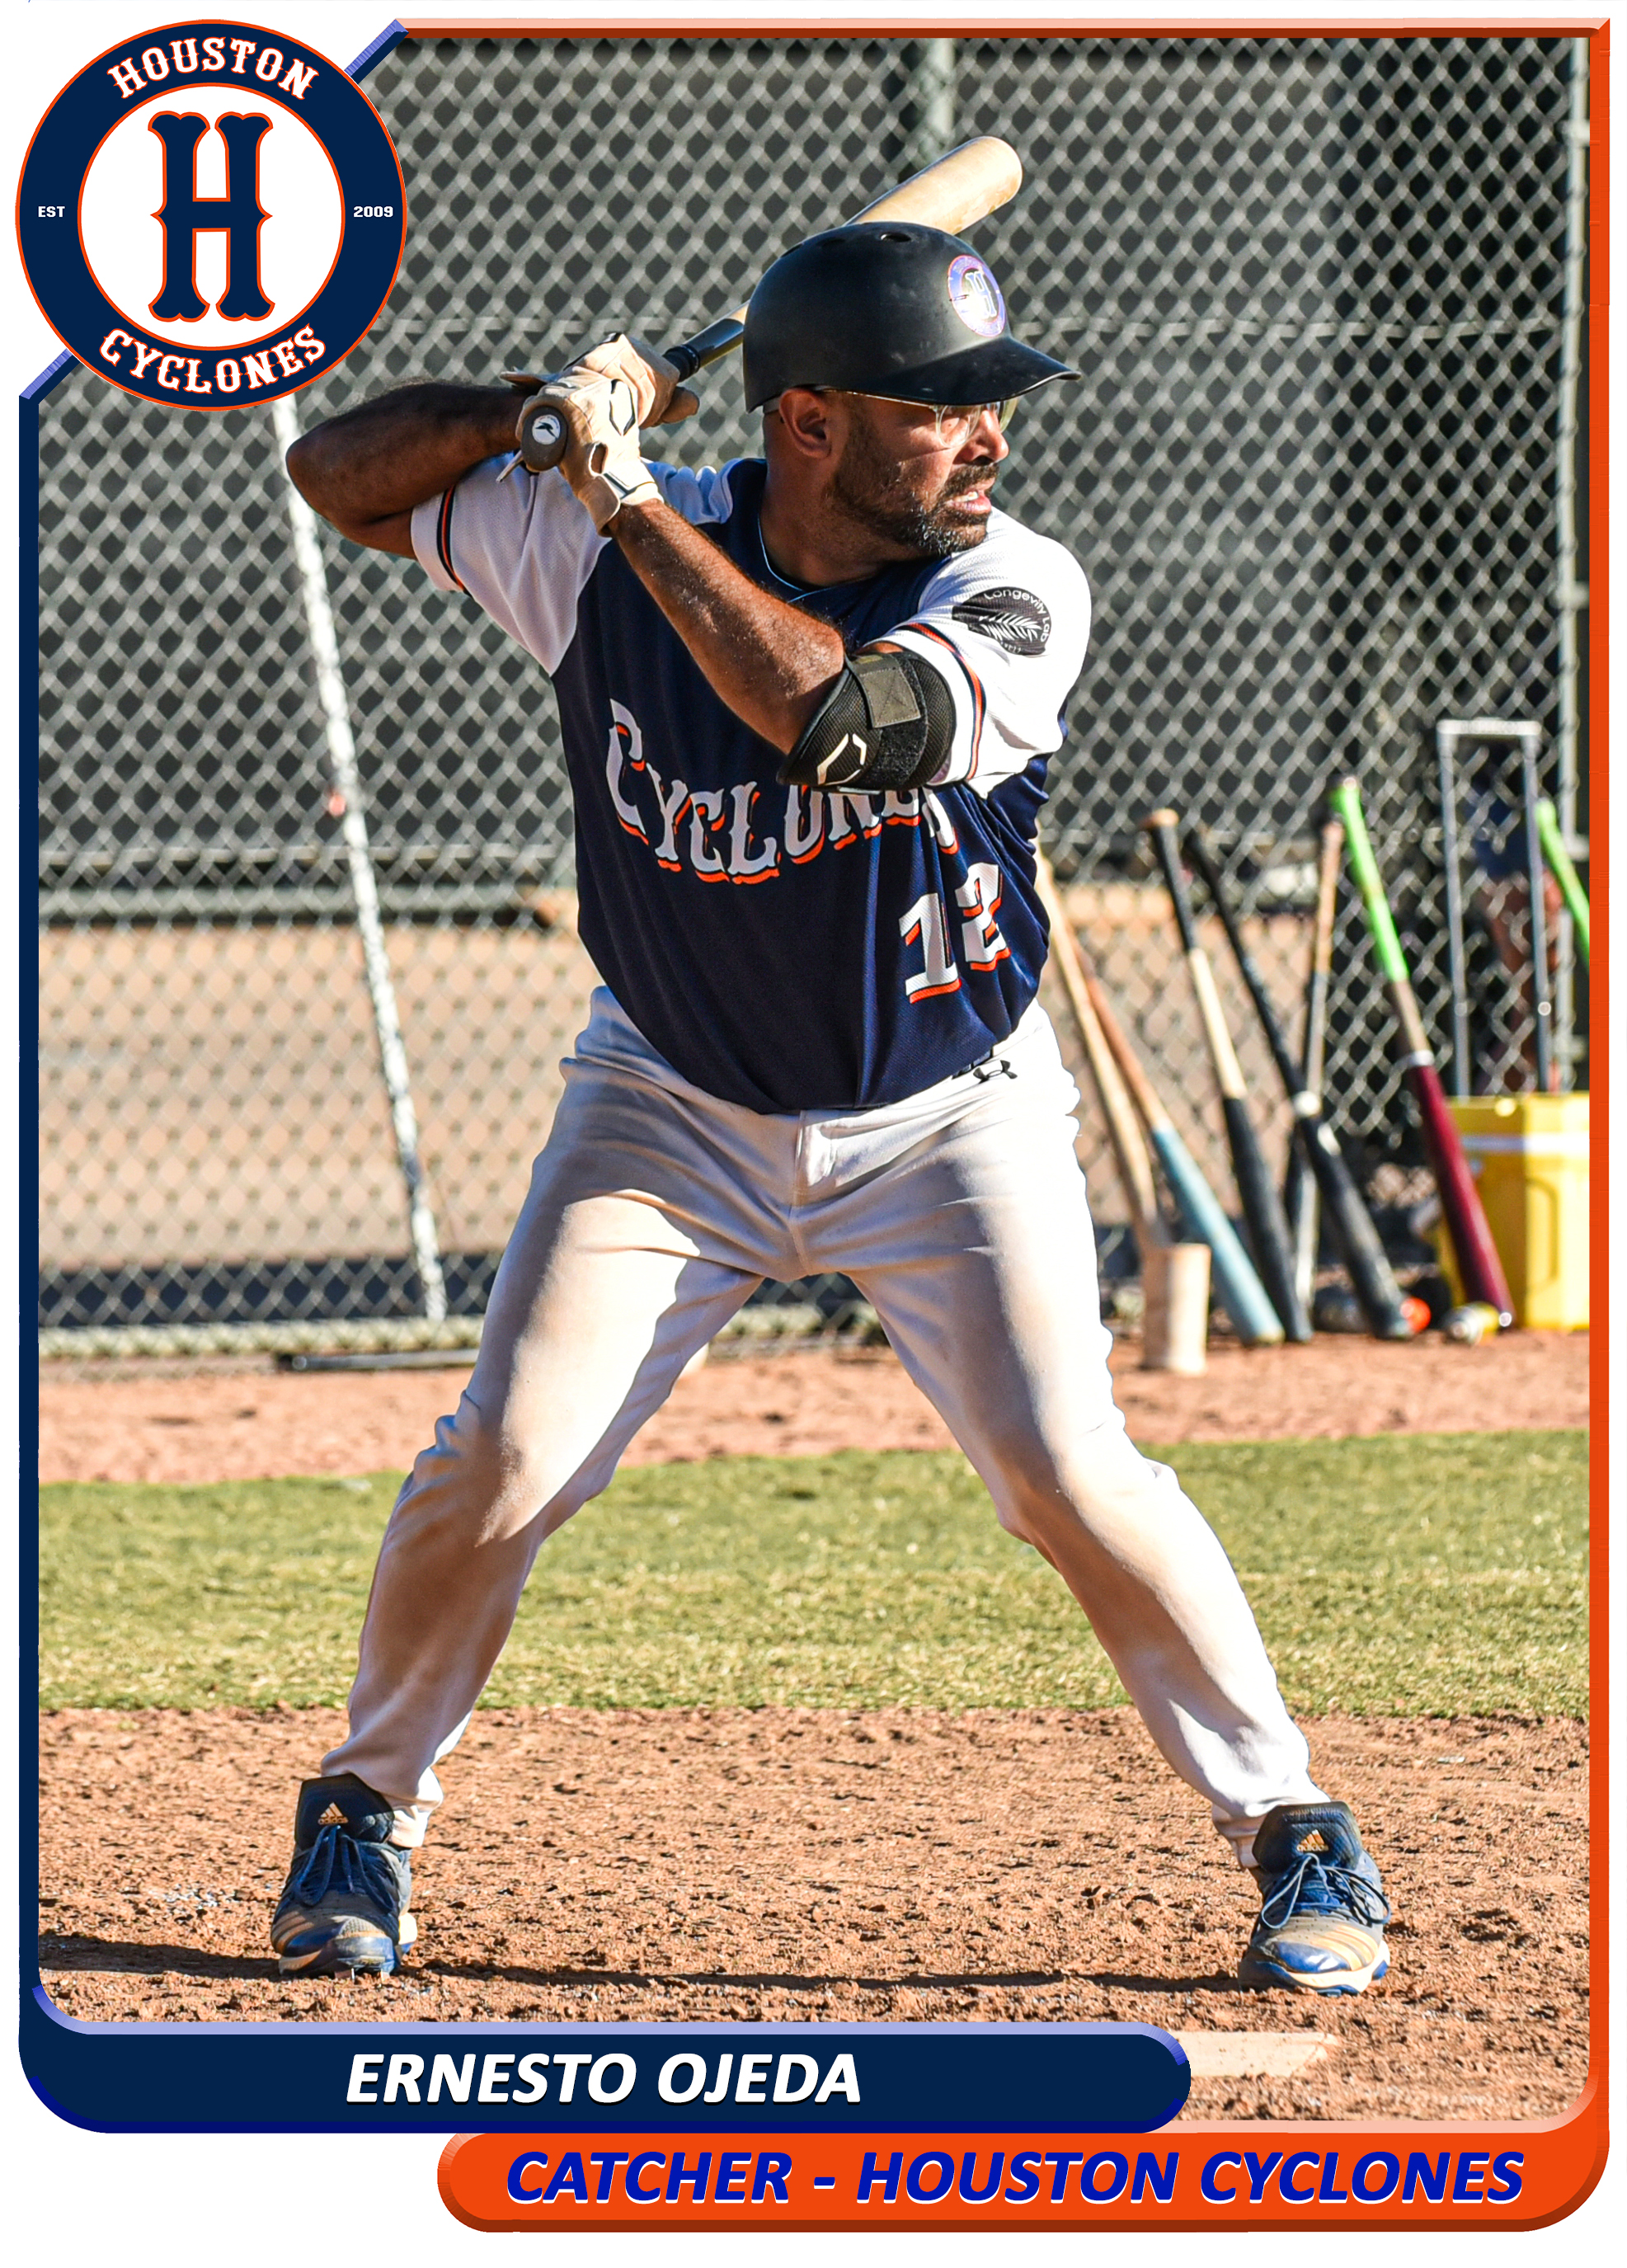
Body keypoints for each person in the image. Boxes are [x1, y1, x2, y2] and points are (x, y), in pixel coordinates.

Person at [271, 224, 1390, 1997]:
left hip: (948, 1111)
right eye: (940, 408)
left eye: (986, 404)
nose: (987, 436)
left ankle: (1296, 1822)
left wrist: (621, 494)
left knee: (1066, 1469)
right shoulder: (592, 541)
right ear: (807, 425)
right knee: (501, 1457)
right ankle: (363, 1803)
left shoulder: (1011, 584)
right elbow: (333, 475)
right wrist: (526, 412)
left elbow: (838, 722)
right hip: (670, 1104)